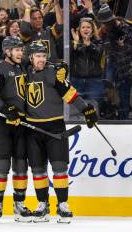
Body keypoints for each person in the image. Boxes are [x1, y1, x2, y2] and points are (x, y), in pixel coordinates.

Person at [25, 41, 98, 223]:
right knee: (38, 170)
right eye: (38, 56)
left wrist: (86, 109)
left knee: (59, 168)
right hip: (32, 129)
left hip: (55, 127)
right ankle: (42, 203)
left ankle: (62, 203)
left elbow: (69, 93)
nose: (41, 59)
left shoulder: (53, 74)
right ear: (31, 58)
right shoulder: (23, 74)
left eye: (44, 56)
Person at [0, 36, 32, 222]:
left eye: (21, 50)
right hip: (0, 125)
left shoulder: (23, 68)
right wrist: (5, 109)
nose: (20, 53)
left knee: (20, 165)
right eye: (17, 50)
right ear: (7, 52)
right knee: (2, 164)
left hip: (20, 124)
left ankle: (19, 204)